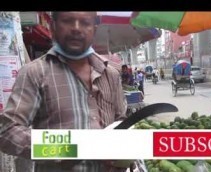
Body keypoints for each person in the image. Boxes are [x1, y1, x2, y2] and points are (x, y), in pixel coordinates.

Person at [0, 12, 128, 172]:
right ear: (53, 26)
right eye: (67, 21)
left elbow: (121, 123)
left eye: (85, 22)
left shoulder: (111, 74)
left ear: (94, 28)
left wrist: (123, 152)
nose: (76, 28)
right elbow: (7, 132)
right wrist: (68, 148)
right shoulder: (35, 72)